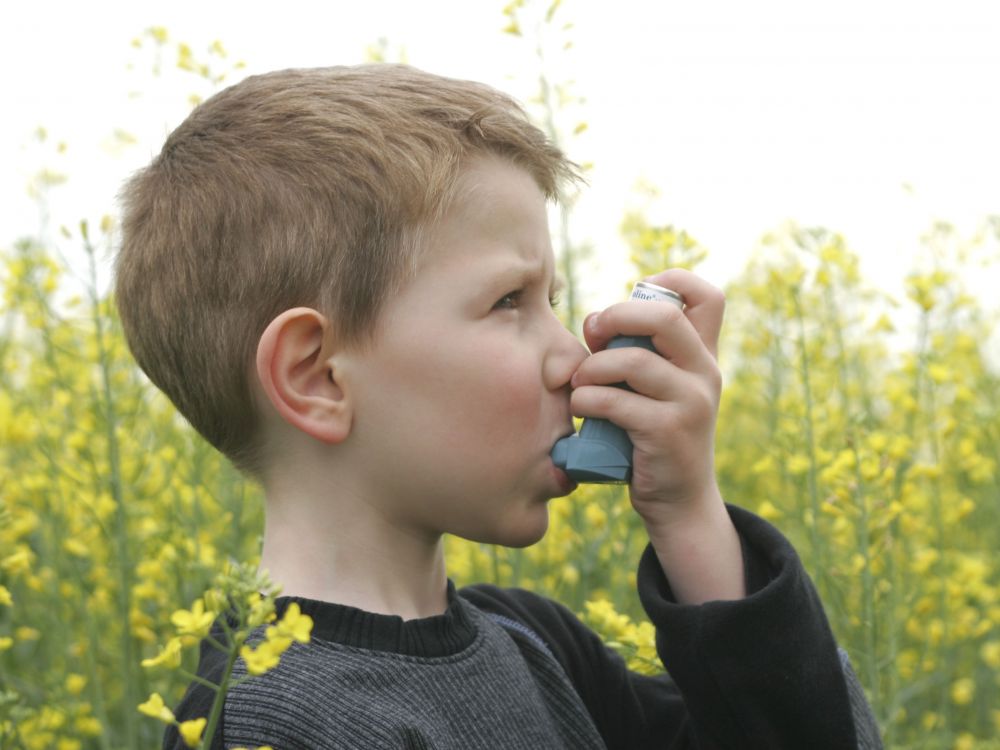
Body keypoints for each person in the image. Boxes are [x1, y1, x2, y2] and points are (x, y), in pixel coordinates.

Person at [114, 64, 881, 749]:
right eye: (509, 300)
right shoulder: (270, 721)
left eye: (551, 299)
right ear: (318, 377)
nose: (575, 358)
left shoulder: (536, 641)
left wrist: (690, 515)